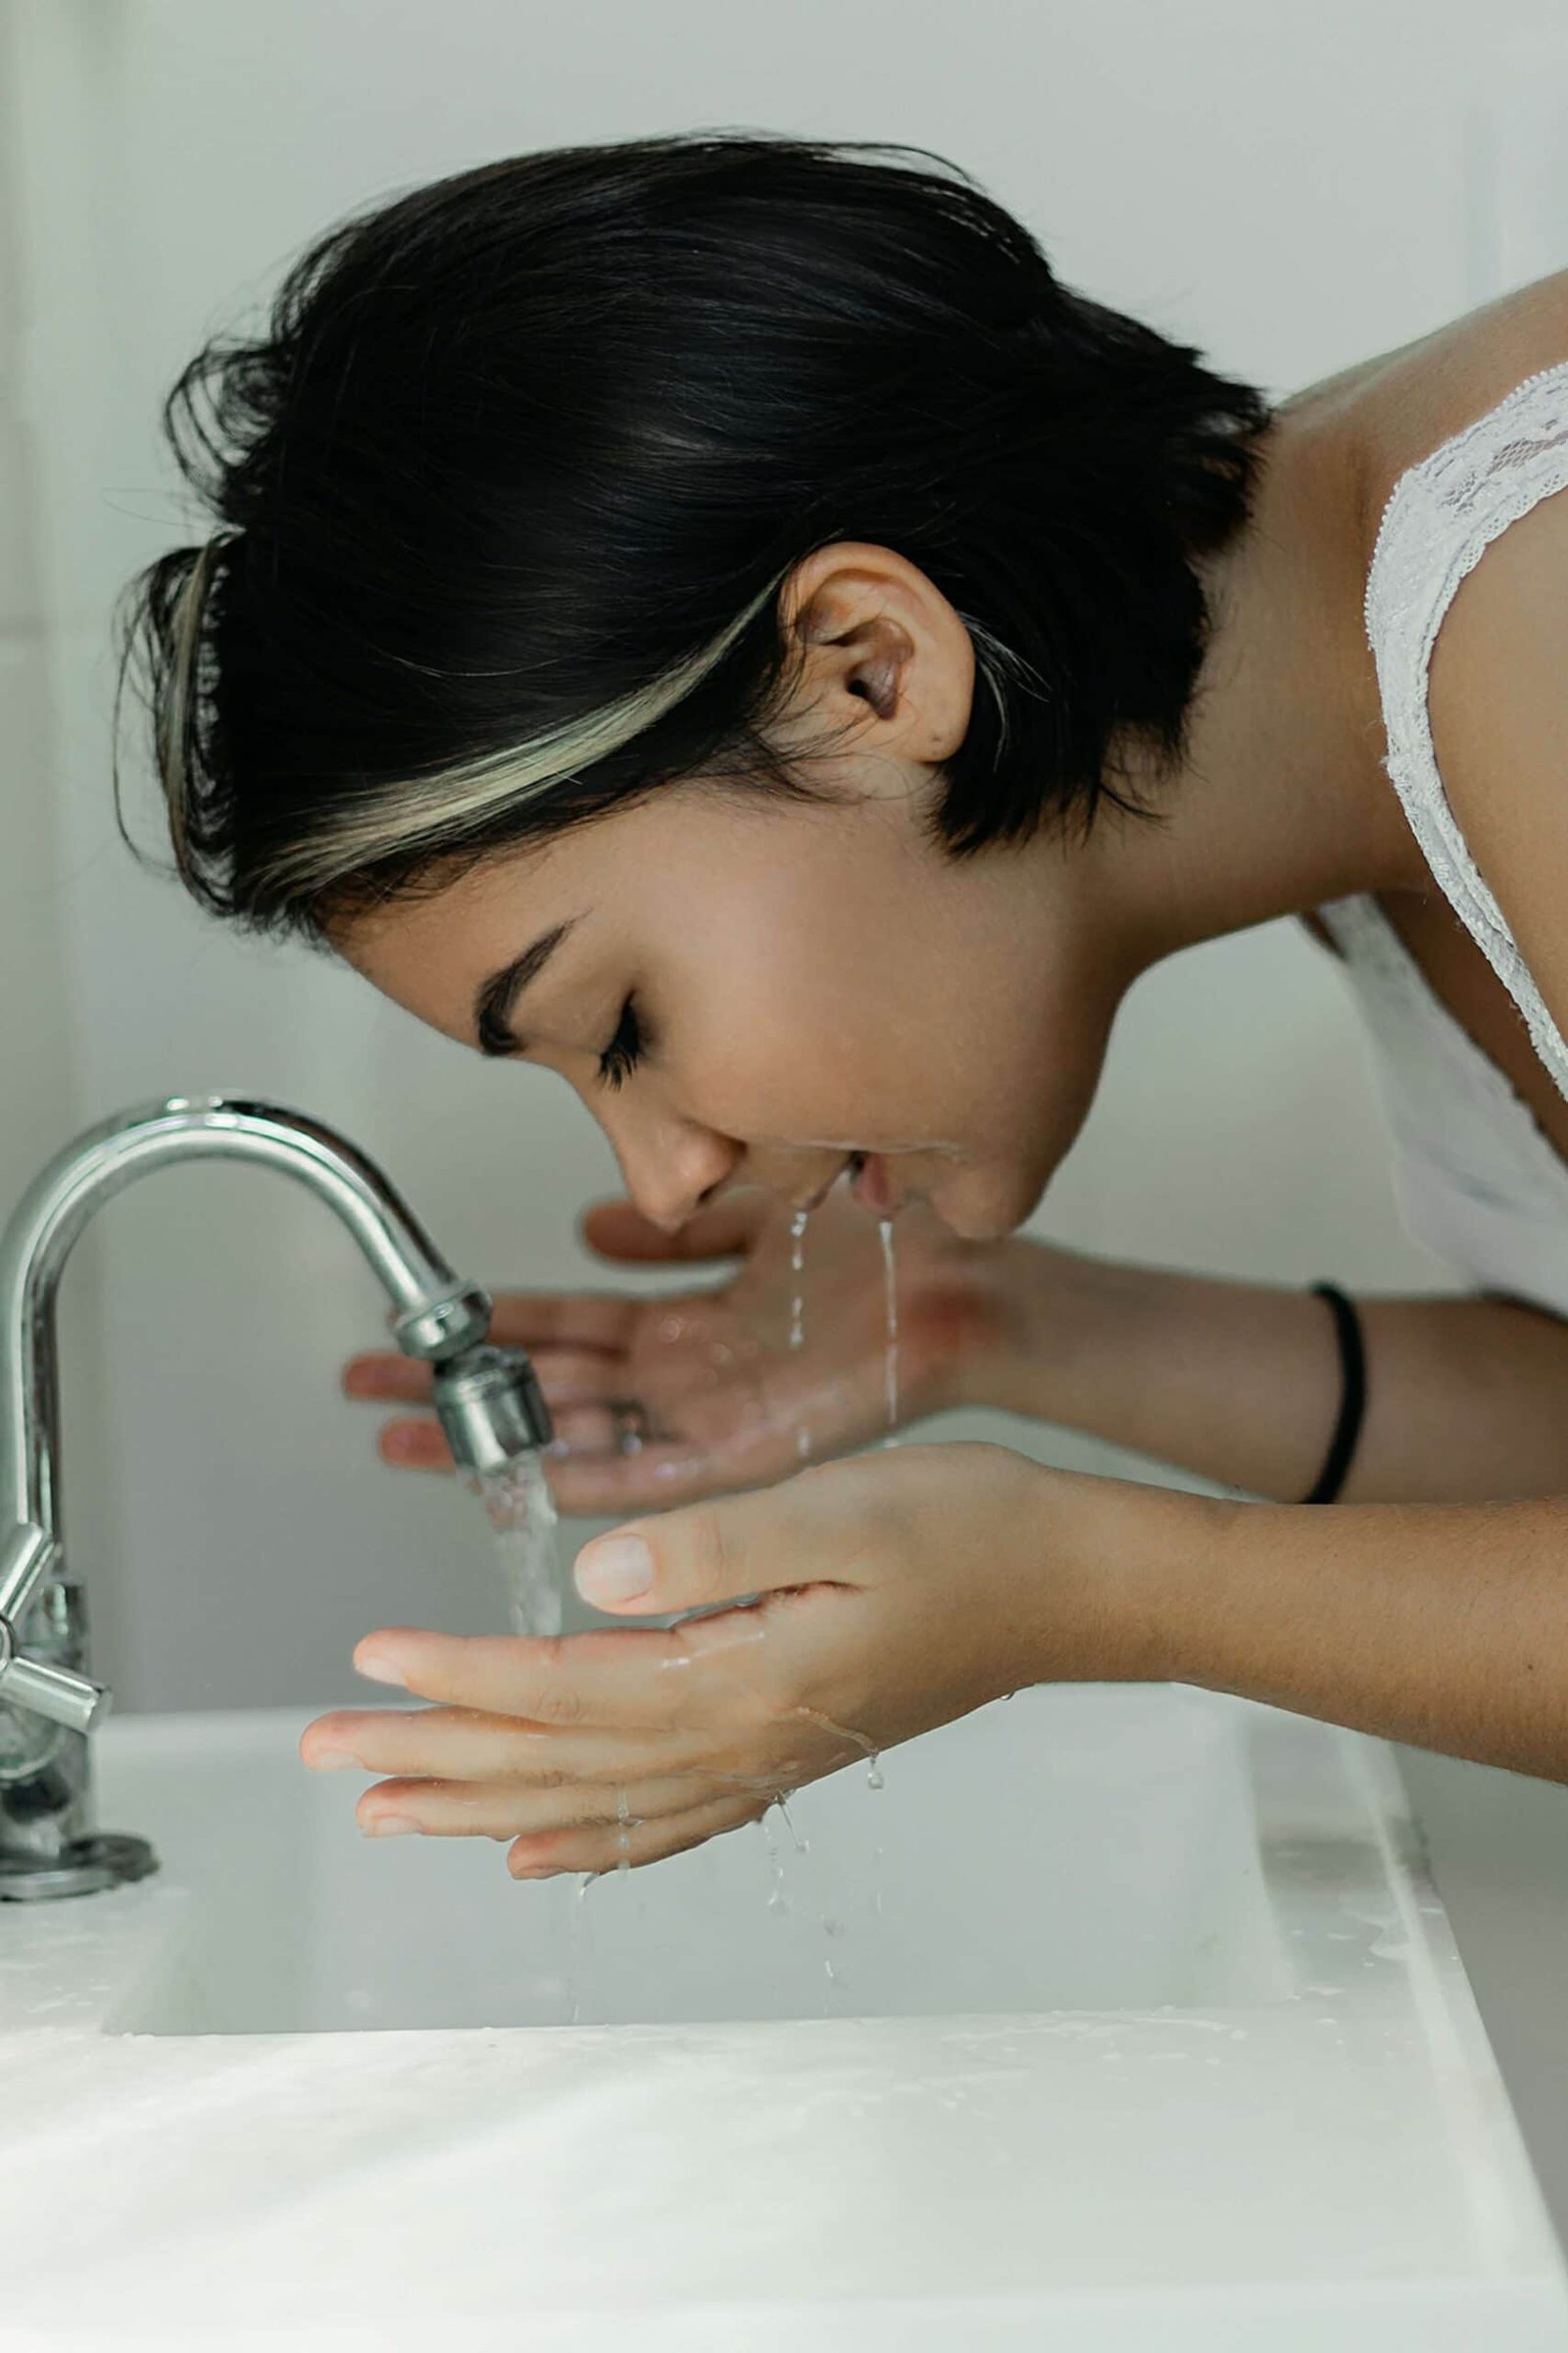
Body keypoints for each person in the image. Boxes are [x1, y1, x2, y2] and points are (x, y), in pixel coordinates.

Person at [117, 132, 1568, 1879]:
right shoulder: (1364, 728)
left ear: (872, 668)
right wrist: (996, 1330)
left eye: (624, 1022)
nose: (670, 1177)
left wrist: (1085, 1584)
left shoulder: (1537, 602)